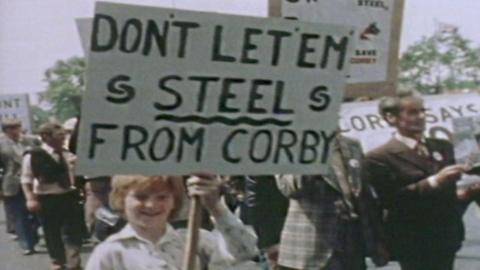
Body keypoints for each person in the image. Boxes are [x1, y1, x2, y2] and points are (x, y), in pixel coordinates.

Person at [362, 89, 466, 270]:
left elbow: (450, 195)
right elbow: (391, 200)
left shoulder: (443, 146)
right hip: (412, 239)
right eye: (412, 112)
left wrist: (467, 191)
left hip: (446, 235)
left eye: (422, 111)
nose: (421, 116)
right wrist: (435, 181)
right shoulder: (379, 157)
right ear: (390, 118)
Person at [86, 174, 259, 270]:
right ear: (121, 199)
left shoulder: (194, 241)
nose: (151, 205)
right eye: (141, 197)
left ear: (174, 201)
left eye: (162, 197)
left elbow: (245, 252)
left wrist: (215, 206)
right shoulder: (110, 252)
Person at [275, 134, 388, 270]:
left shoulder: (352, 144)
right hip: (312, 248)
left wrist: (376, 240)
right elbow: (289, 188)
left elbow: (364, 195)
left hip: (351, 242)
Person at [21, 122, 84, 270]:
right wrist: (30, 198)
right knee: (51, 231)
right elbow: (26, 179)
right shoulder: (33, 155)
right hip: (47, 198)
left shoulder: (68, 153)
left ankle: (74, 262)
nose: (63, 138)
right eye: (59, 135)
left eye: (64, 135)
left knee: (73, 230)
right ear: (46, 137)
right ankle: (58, 261)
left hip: (69, 196)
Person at [0, 119, 40, 254]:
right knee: (19, 215)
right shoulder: (1, 144)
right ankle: (27, 244)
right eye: (11, 129)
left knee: (37, 214)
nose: (15, 131)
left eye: (17, 127)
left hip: (33, 182)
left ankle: (33, 234)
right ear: (5, 131)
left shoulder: (32, 141)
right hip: (12, 183)